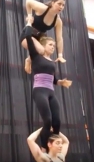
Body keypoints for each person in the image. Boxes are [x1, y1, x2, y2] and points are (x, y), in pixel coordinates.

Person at [22, 19, 72, 152]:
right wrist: (28, 23)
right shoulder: (36, 56)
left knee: (57, 123)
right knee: (48, 120)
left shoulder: (52, 62)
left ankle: (53, 148)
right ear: (43, 46)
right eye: (51, 45)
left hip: (51, 92)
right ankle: (44, 149)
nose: (53, 47)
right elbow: (28, 37)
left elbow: (53, 79)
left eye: (54, 46)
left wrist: (61, 82)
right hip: (39, 91)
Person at [20, 0, 66, 74]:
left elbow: (59, 38)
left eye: (63, 5)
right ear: (52, 3)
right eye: (59, 4)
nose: (61, 7)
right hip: (27, 35)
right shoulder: (42, 8)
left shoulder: (58, 21)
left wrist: (60, 55)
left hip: (39, 38)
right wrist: (29, 16)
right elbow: (28, 2)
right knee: (41, 50)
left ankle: (30, 60)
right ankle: (28, 60)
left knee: (47, 51)